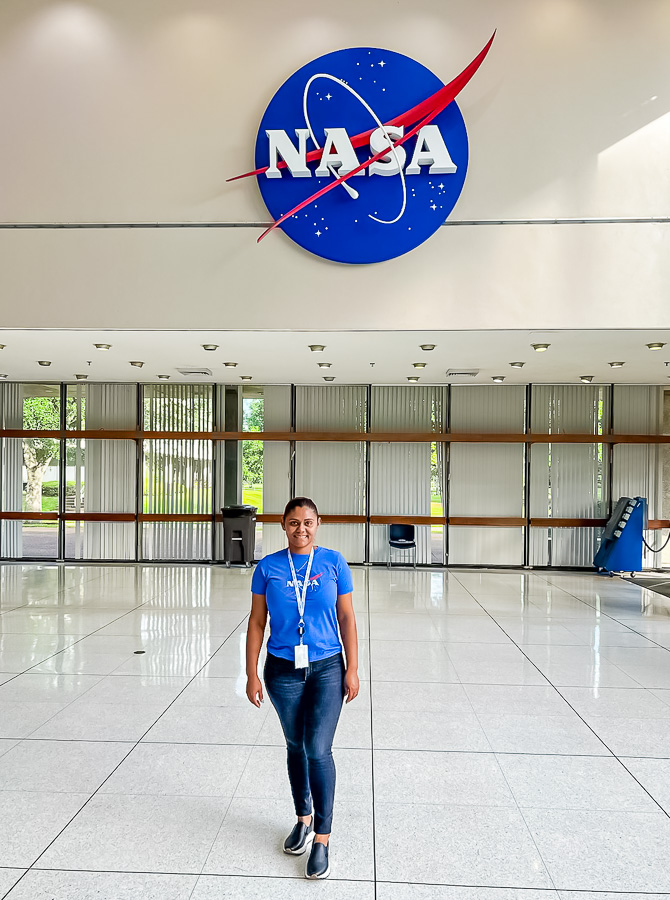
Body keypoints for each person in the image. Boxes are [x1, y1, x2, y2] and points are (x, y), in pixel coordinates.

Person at [245, 496, 359, 880]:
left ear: (318, 523)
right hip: (282, 670)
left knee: (317, 748)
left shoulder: (333, 563)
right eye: (294, 522)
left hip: (327, 666)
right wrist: (251, 673)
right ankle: (303, 818)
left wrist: (353, 668)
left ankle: (323, 838)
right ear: (283, 525)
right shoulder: (268, 567)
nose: (301, 529)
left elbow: (346, 616)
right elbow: (257, 623)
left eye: (308, 522)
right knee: (295, 745)